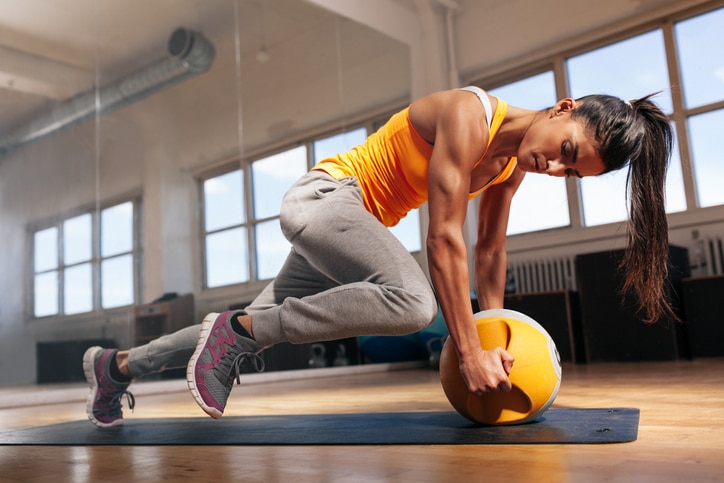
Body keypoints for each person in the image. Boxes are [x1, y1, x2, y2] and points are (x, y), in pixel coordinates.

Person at [83, 85, 674, 427]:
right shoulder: (470, 116)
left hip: (348, 232)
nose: (556, 166)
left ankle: (115, 369)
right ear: (561, 108)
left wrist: (498, 337)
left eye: (572, 171)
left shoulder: (509, 167)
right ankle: (238, 334)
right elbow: (444, 239)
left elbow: (490, 249)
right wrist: (467, 352)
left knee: (243, 331)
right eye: (567, 150)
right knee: (414, 302)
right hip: (325, 199)